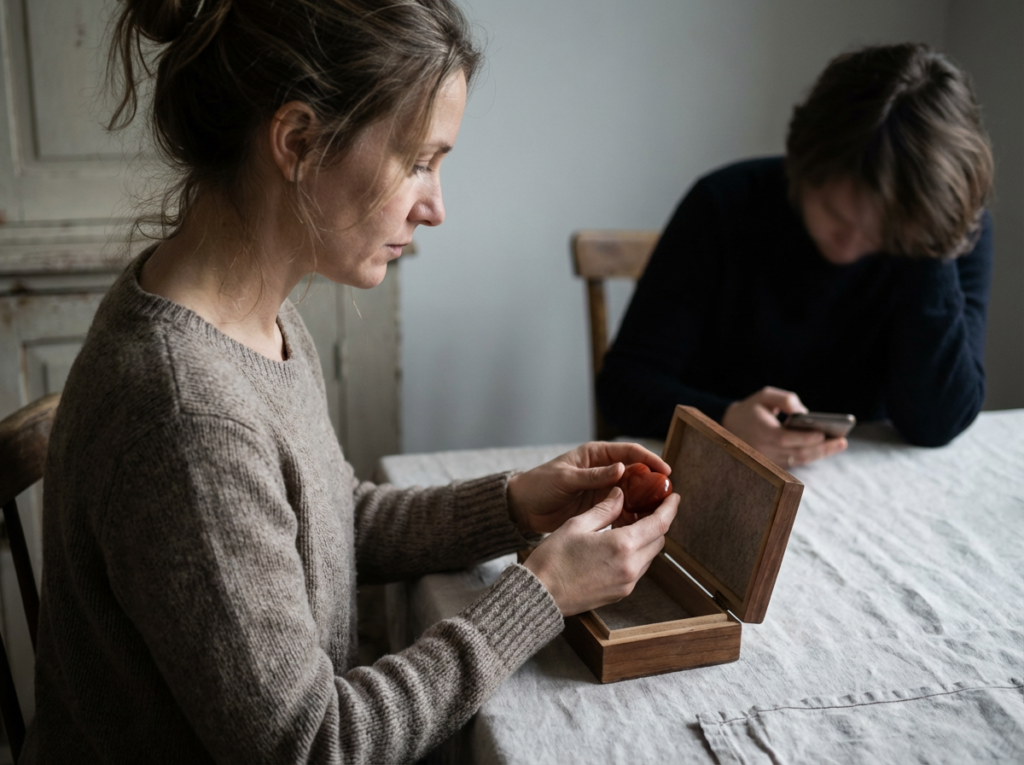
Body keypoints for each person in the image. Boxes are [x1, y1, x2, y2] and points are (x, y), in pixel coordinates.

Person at [23, 1, 679, 762]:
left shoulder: (255, 319)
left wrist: (511, 504)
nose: (436, 207)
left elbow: (324, 523)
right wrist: (539, 596)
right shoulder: (186, 413)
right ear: (299, 141)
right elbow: (311, 742)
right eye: (420, 161)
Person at [597, 43, 994, 468]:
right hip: (717, 472)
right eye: (834, 215)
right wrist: (724, 420)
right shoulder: (723, 204)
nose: (849, 247)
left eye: (881, 235)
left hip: (864, 483)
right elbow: (623, 387)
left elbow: (937, 423)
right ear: (802, 164)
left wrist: (927, 248)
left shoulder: (937, 233)